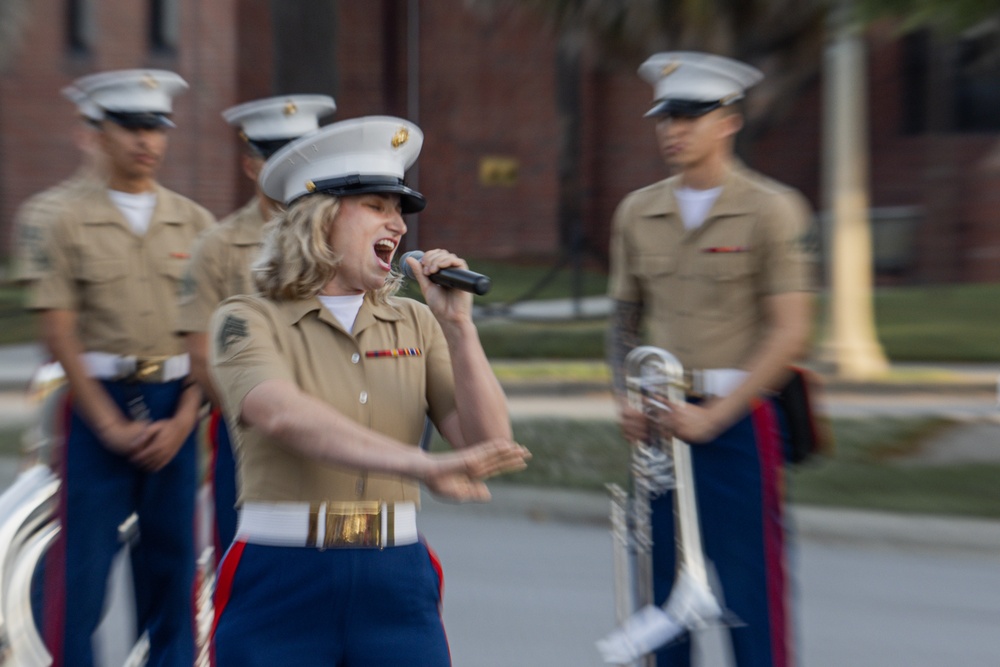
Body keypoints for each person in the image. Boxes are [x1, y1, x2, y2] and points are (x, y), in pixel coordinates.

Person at [208, 115, 530, 666]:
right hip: (282, 574)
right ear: (320, 218)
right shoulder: (245, 319)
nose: (399, 225)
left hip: (394, 578)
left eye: (399, 210)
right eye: (378, 207)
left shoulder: (417, 322)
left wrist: (459, 328)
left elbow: (488, 446)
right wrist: (420, 466)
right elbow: (282, 415)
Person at [605, 52, 815, 667]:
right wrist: (624, 397)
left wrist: (716, 415)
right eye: (665, 116)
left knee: (750, 591)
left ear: (730, 121)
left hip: (740, 420)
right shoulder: (637, 212)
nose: (673, 129)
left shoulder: (773, 208)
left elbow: (790, 332)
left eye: (692, 115)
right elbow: (622, 322)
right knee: (664, 594)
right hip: (662, 422)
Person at [27, 68, 215, 666]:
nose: (146, 140)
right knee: (80, 571)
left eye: (157, 127)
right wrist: (106, 424)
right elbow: (58, 331)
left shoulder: (194, 223)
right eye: (130, 126)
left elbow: (207, 339)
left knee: (173, 563)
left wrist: (186, 418)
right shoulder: (59, 220)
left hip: (174, 405)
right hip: (96, 402)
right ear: (97, 132)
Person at [177, 94, 337, 565]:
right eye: (275, 156)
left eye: (302, 154)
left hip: (335, 421)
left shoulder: (340, 234)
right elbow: (202, 355)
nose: (291, 167)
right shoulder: (217, 246)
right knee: (246, 564)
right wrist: (262, 412)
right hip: (248, 434)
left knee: (329, 561)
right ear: (251, 166)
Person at [11, 84, 105, 286]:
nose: (140, 141)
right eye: (124, 130)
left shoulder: (182, 214)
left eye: (150, 130)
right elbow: (44, 300)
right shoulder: (46, 212)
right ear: (84, 138)